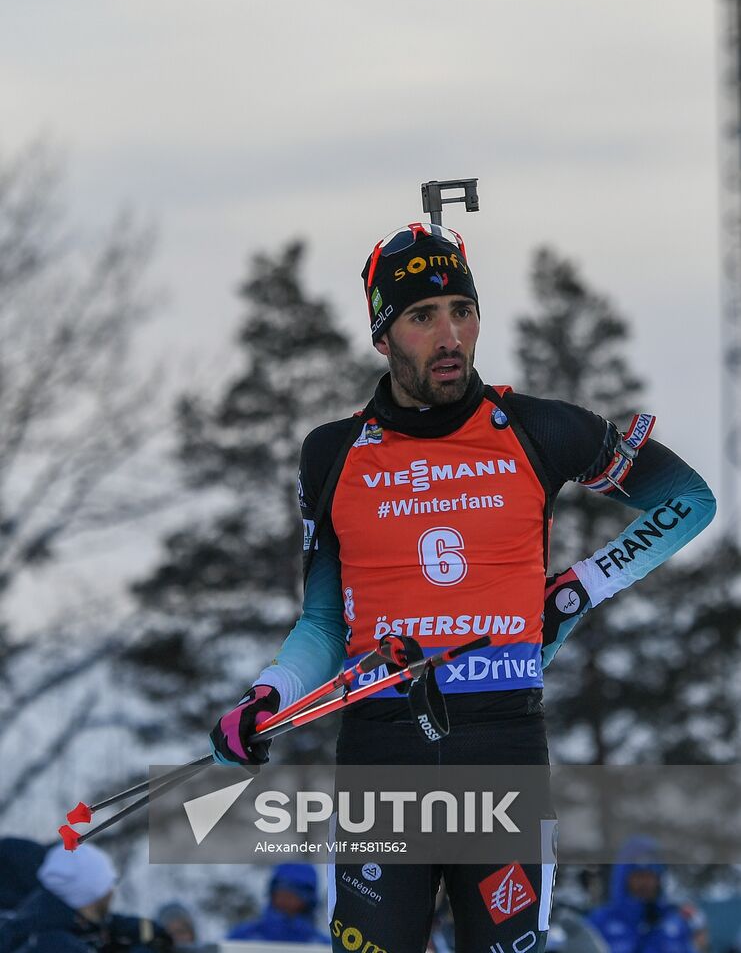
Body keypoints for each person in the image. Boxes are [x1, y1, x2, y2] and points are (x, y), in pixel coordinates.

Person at [209, 222, 716, 951]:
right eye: (422, 316)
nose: (449, 335)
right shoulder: (333, 452)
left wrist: (575, 589)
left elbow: (688, 501)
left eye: (462, 311)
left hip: (501, 746)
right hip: (382, 756)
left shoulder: (536, 428)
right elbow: (323, 624)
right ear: (383, 336)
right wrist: (268, 696)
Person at [0, 842, 171, 952]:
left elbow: (113, 925)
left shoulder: (64, 916)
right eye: (106, 887)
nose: (111, 892)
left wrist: (158, 933)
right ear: (89, 895)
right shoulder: (51, 943)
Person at [588, 837, 696, 953]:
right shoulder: (600, 922)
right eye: (639, 876)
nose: (646, 883)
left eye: (651, 875)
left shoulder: (674, 923)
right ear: (623, 878)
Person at [226, 864, 330, 944]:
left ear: (308, 900)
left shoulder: (322, 944)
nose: (285, 900)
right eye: (281, 894)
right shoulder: (243, 938)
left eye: (292, 896)